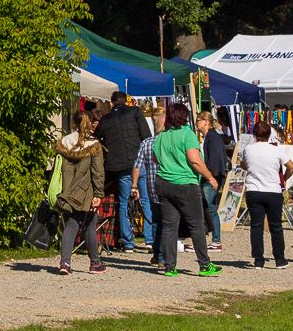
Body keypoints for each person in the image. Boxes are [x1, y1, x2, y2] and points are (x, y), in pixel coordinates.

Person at [150, 101, 220, 277]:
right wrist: (210, 177)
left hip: (164, 182)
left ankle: (169, 266)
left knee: (169, 226)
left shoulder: (161, 136)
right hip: (185, 184)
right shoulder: (187, 134)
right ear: (184, 117)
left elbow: (154, 159)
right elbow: (195, 160)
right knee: (196, 224)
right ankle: (204, 265)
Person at [49, 114, 108, 276]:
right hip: (86, 191)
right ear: (90, 124)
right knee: (89, 225)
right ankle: (95, 263)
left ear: (73, 123)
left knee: (71, 224)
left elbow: (57, 168)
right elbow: (98, 172)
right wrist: (98, 193)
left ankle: (65, 263)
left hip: (67, 190)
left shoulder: (64, 143)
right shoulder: (94, 145)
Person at [94, 93, 150, 254]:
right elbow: (146, 136)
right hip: (137, 162)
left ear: (111, 104)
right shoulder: (135, 112)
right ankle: (150, 239)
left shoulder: (105, 119)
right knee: (145, 200)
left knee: (124, 202)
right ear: (125, 101)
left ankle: (128, 243)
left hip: (118, 165)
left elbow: (95, 138)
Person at [238, 118, 293, 268]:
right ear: (269, 134)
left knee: (256, 226)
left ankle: (258, 259)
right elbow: (291, 166)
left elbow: (243, 164)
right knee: (276, 226)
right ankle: (280, 259)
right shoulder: (276, 149)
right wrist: (283, 179)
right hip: (273, 190)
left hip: (254, 190)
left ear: (254, 134)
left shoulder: (248, 149)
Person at [198, 110, 233, 251]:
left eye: (198, 120)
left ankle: (215, 240)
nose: (196, 123)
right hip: (211, 176)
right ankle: (215, 239)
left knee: (207, 206)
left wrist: (212, 177)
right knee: (209, 207)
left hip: (212, 176)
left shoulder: (213, 137)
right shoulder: (209, 136)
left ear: (206, 122)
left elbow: (216, 159)